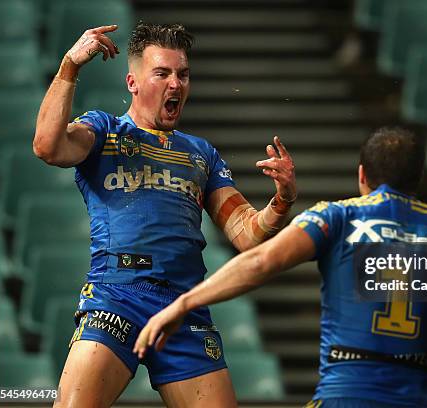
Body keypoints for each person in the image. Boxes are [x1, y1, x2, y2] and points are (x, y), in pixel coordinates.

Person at [134, 127, 427, 407]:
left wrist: (184, 302)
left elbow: (261, 260)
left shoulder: (337, 216)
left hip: (345, 394)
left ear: (362, 176)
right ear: (417, 182)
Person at [33, 22, 296, 408]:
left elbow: (246, 233)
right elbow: (48, 146)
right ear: (133, 83)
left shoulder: (201, 153)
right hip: (115, 296)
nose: (176, 84)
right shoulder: (104, 131)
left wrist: (283, 201)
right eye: (162, 73)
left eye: (183, 74)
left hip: (182, 305)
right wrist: (69, 67)